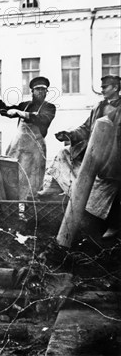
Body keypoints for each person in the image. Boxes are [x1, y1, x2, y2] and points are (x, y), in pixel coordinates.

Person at [39, 75, 121, 238]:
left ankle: (115, 225)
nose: (102, 90)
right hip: (94, 152)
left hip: (114, 155)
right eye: (102, 86)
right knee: (64, 154)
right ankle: (56, 186)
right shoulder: (99, 106)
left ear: (116, 88)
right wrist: (69, 135)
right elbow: (85, 128)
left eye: (105, 87)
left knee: (113, 188)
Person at [0, 76, 56, 200]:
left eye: (44, 90)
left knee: (32, 183)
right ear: (32, 91)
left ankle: (29, 211)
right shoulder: (25, 105)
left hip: (35, 151)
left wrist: (21, 113)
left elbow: (43, 119)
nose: (41, 92)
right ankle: (7, 207)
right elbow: (6, 111)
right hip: (18, 148)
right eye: (38, 89)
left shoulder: (50, 108)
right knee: (10, 176)